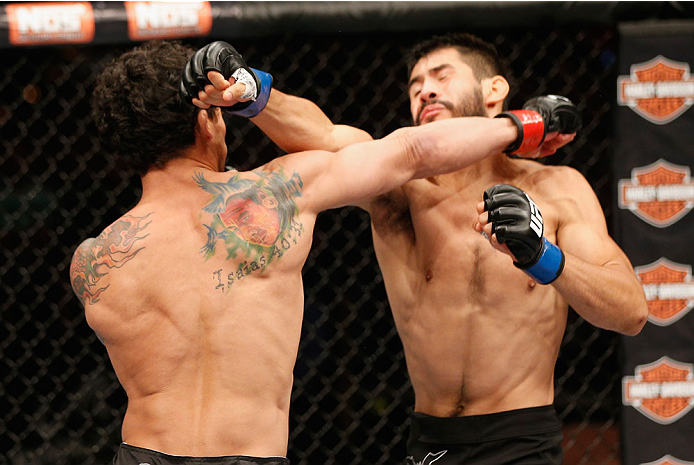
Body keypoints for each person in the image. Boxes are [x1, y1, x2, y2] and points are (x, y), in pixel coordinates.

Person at [68, 40, 574, 465]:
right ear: (210, 122)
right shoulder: (279, 192)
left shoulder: (92, 261)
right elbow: (412, 152)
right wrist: (524, 125)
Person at [188, 33, 649, 465]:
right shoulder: (401, 186)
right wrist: (248, 90)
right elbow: (326, 138)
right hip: (430, 440)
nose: (425, 90)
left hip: (521, 437)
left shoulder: (560, 189)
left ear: (494, 91)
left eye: (441, 76)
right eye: (415, 84)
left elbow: (629, 311)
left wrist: (542, 256)